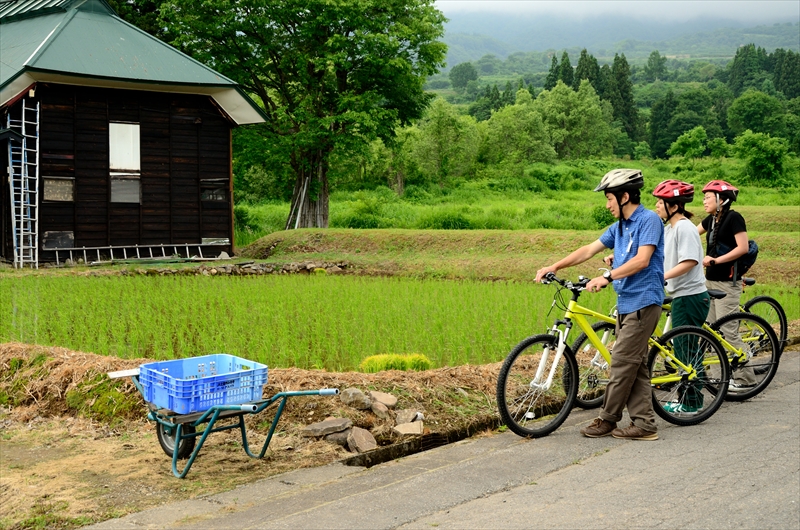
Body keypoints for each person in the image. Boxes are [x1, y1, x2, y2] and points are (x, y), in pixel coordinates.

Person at [535, 168, 664, 441]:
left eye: (609, 199)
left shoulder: (648, 220)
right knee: (634, 365)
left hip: (644, 302)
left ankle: (607, 419)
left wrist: (607, 276)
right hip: (627, 303)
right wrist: (555, 265)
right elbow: (588, 249)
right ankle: (644, 424)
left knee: (620, 363)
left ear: (624, 196)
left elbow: (642, 260)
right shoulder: (618, 228)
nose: (607, 205)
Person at [652, 179, 710, 413]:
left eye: (660, 202)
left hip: (689, 296)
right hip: (682, 296)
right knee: (686, 349)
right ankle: (695, 393)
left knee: (684, 351)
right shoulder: (670, 228)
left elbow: (689, 261)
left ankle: (691, 403)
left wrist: (663, 276)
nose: (656, 206)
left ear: (674, 206)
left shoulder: (684, 227)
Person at [697, 179, 755, 390]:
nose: (704, 201)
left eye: (708, 197)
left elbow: (743, 247)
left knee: (728, 331)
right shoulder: (711, 220)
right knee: (712, 332)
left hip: (727, 283)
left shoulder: (734, 218)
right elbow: (691, 234)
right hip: (710, 281)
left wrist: (716, 260)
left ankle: (745, 378)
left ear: (721, 200)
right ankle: (719, 378)